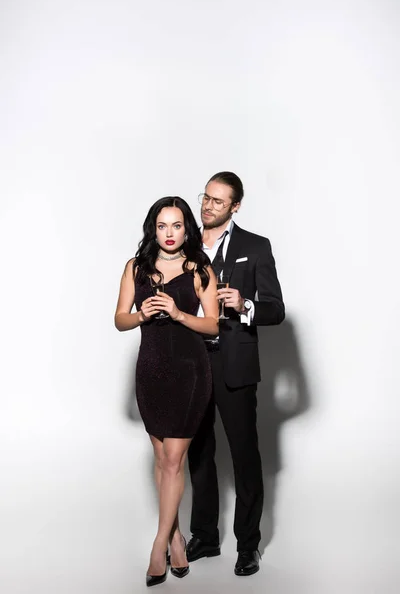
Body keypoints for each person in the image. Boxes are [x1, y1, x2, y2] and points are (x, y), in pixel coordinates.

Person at [114, 196, 219, 587]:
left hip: (190, 373)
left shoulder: (199, 267)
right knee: (162, 460)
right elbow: (119, 319)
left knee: (173, 461)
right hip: (151, 371)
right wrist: (142, 314)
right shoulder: (136, 267)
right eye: (162, 226)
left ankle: (158, 545)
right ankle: (176, 538)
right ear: (153, 228)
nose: (170, 233)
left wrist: (177, 314)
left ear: (186, 228)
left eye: (177, 226)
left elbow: (213, 326)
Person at [187, 172, 285, 576]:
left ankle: (248, 546)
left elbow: (276, 309)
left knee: (245, 457)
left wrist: (245, 305)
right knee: (199, 454)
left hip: (235, 365)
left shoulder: (255, 246)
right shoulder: (183, 241)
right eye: (206, 197)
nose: (208, 206)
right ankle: (205, 537)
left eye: (218, 201)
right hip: (191, 364)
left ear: (235, 206)